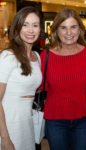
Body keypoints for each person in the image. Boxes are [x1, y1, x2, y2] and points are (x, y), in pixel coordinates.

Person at [40, 8, 86, 150]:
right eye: (63, 27)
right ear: (56, 30)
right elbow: (36, 86)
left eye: (73, 27)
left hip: (83, 121)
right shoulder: (46, 56)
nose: (68, 33)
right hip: (55, 121)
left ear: (80, 29)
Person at [0, 6, 42, 150]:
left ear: (40, 29)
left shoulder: (37, 57)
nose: (31, 30)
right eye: (25, 25)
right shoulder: (7, 57)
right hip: (8, 124)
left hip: (27, 124)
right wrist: (5, 138)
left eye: (35, 25)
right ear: (18, 28)